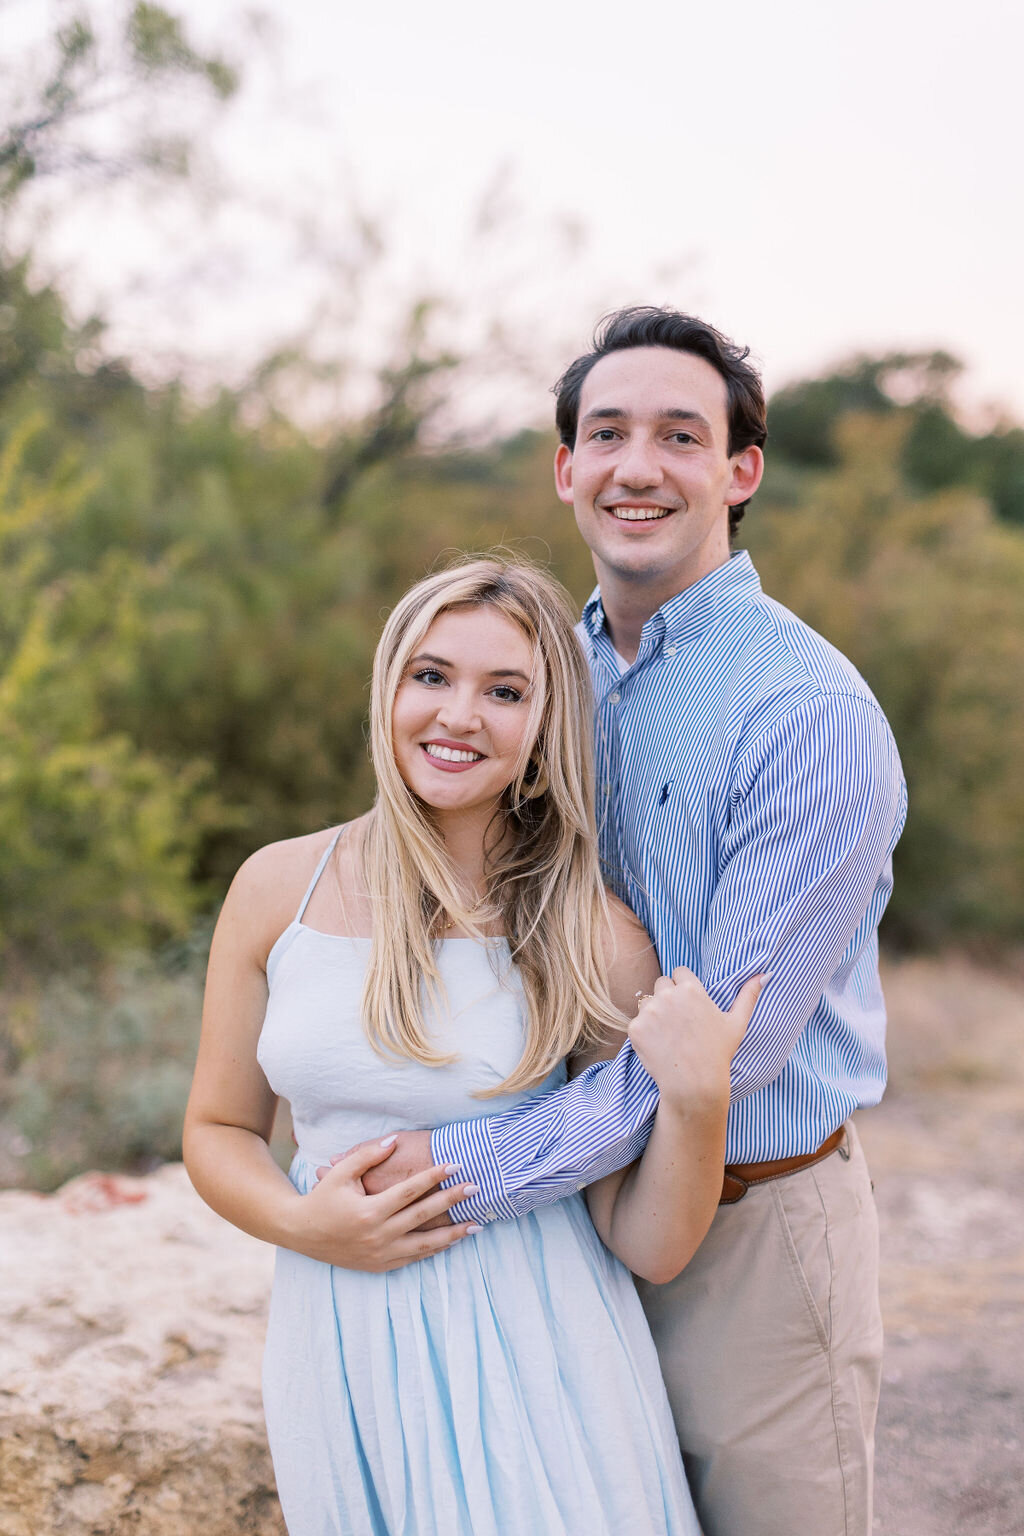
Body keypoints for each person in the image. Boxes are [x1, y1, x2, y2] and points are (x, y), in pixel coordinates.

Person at [355, 309, 908, 1536]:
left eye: (679, 434)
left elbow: (723, 1046)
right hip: (561, 1241)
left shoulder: (804, 712)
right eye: (604, 433)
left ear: (739, 471)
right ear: (564, 470)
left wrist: (468, 1174)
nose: (636, 466)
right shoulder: (548, 676)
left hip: (749, 1241)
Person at [183, 558, 766, 1536]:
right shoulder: (275, 888)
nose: (460, 715)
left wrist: (698, 1102)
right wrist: (304, 1225)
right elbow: (216, 1128)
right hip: (339, 1333)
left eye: (505, 692)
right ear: (388, 691)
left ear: (542, 734)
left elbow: (649, 1245)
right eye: (432, 676)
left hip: (543, 1346)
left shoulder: (594, 933)